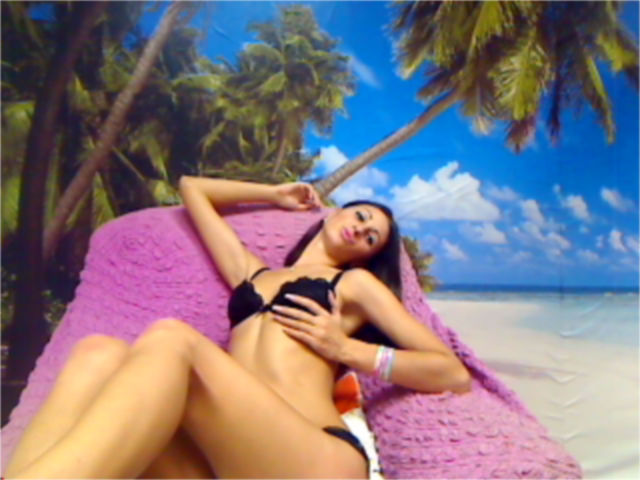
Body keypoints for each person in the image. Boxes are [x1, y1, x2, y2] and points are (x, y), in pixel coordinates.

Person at [4, 177, 471, 479]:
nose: (362, 230)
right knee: (97, 352)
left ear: (367, 256)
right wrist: (274, 195)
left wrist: (346, 349)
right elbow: (192, 189)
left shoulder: (353, 285)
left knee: (173, 338)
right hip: (231, 459)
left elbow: (450, 371)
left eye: (372, 238)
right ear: (334, 212)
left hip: (316, 458)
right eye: (361, 216)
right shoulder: (252, 275)